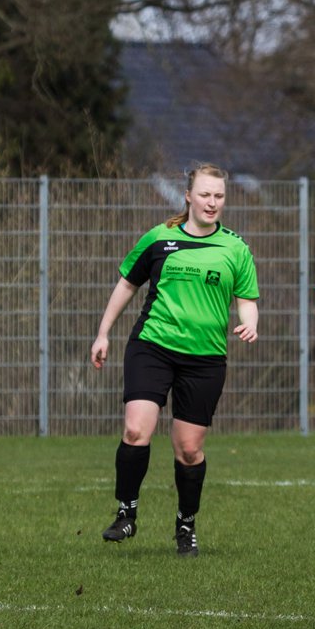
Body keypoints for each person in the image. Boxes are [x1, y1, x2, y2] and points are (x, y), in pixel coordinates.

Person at [91, 162, 260, 558]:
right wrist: (103, 332)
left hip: (204, 359)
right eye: (205, 194)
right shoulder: (159, 238)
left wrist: (248, 323)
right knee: (136, 430)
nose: (212, 202)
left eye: (218, 196)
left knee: (188, 450)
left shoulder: (235, 248)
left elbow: (247, 300)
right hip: (153, 345)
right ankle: (126, 512)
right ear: (188, 196)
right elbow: (127, 285)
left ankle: (186, 524)